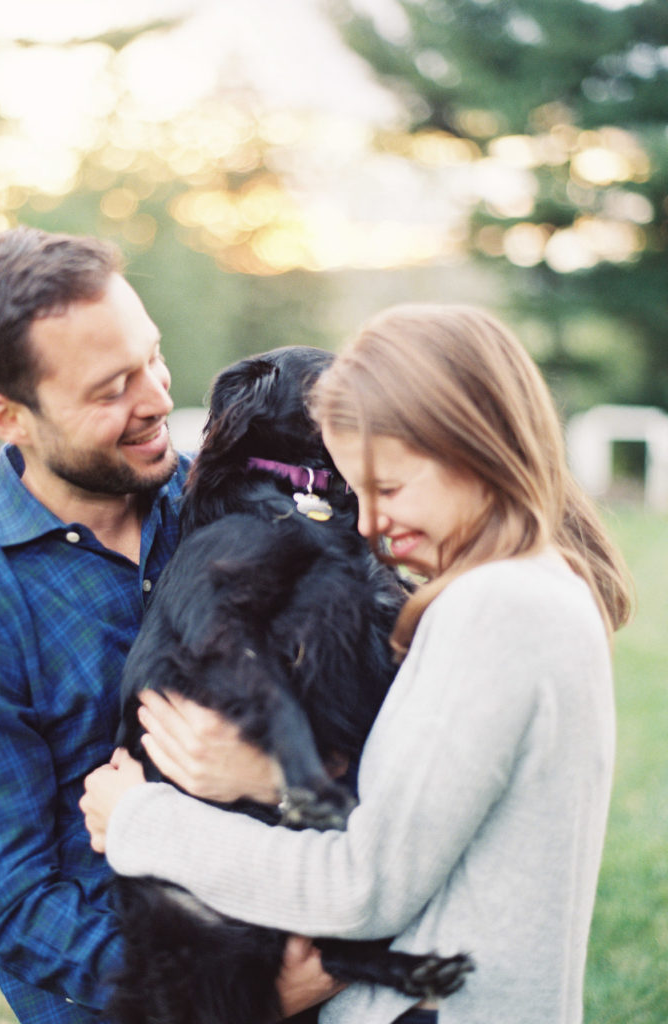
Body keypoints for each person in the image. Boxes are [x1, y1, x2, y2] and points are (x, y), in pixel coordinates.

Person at [81, 303, 632, 1024]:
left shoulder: (500, 609)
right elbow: (423, 820)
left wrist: (138, 819)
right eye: (355, 491)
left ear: (471, 448)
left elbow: (363, 886)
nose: (366, 523)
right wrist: (277, 779)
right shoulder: (525, 588)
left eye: (390, 488)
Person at [0, 226, 336, 1023]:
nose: (159, 398)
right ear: (8, 415)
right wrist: (237, 998)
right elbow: (13, 901)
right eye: (111, 390)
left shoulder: (230, 505)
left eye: (154, 357)